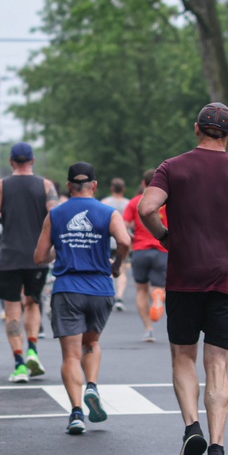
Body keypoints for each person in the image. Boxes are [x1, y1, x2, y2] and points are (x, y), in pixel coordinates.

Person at [139, 102, 228, 455]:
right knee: (218, 363)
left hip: (185, 277)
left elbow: (148, 207)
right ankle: (217, 451)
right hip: (227, 279)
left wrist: (168, 237)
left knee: (183, 356)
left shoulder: (172, 167)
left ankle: (191, 430)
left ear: (196, 128)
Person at [34, 162, 130, 434]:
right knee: (91, 343)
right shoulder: (108, 212)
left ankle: (77, 413)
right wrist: (117, 265)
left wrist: (60, 251)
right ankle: (92, 386)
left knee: (70, 355)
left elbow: (39, 257)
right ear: (94, 185)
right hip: (100, 288)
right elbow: (125, 242)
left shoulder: (56, 214)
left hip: (68, 289)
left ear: (68, 186)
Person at [0, 142, 60, 383]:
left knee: (12, 309)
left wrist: (1, 210)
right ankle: (33, 351)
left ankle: (18, 365)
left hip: (10, 256)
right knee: (33, 303)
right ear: (33, 160)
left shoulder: (0, 186)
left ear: (11, 162)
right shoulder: (46, 186)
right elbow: (55, 217)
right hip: (38, 255)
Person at [123, 169, 168, 342]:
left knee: (141, 290)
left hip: (140, 250)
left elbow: (124, 224)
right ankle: (157, 297)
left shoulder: (135, 202)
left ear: (143, 183)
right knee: (157, 287)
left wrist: (130, 236)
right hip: (162, 250)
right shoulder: (166, 203)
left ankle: (148, 329)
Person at [102, 177, 130, 312]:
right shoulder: (128, 204)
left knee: (107, 267)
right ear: (123, 189)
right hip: (123, 240)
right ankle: (119, 297)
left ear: (111, 188)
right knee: (122, 269)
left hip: (108, 241)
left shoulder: (105, 203)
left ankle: (108, 293)